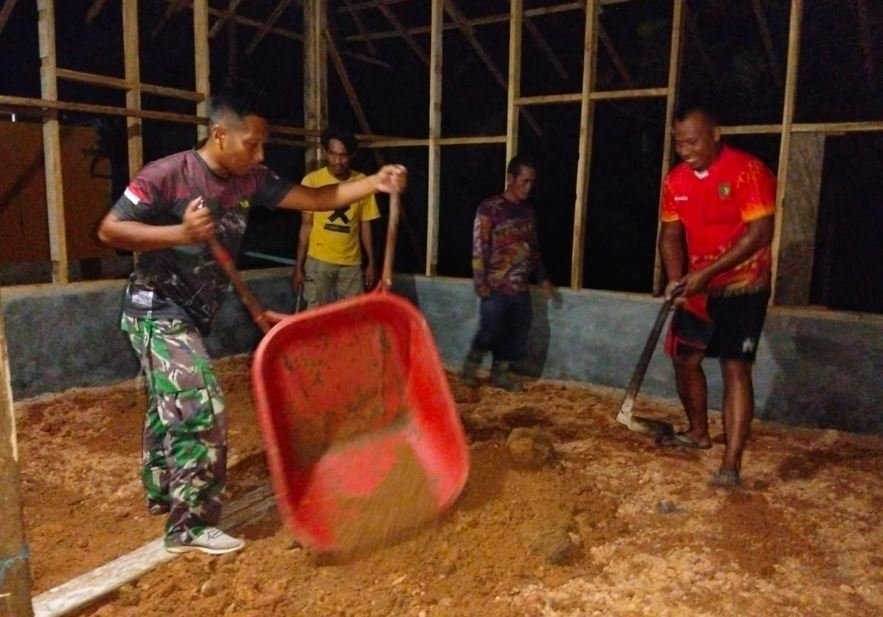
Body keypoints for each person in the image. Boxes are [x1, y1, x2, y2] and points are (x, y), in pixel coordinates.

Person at [97, 82, 406, 555]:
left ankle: (161, 491)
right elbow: (110, 229)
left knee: (170, 400)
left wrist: (375, 183)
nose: (260, 154)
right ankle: (189, 526)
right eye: (253, 143)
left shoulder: (250, 179)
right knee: (201, 403)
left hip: (193, 312)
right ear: (220, 134)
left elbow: (318, 199)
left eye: (264, 144)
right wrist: (180, 233)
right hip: (154, 306)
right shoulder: (169, 174)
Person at [657, 102, 776, 487]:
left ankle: (731, 464)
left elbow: (760, 234)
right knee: (685, 359)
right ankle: (698, 432)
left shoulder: (748, 171)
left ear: (716, 134)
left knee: (734, 367)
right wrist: (675, 279)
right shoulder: (675, 181)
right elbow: (670, 235)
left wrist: (705, 274)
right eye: (678, 143)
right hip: (697, 285)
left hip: (743, 286)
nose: (685, 150)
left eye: (692, 141)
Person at [460, 155, 554, 392]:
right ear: (511, 178)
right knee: (490, 330)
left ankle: (499, 373)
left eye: (532, 182)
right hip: (495, 285)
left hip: (520, 287)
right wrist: (480, 281)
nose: (528, 187)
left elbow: (533, 248)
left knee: (518, 331)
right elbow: (479, 246)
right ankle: (469, 369)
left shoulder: (528, 210)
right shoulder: (490, 208)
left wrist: (542, 277)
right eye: (524, 181)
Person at [293, 126, 380, 308]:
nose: (338, 161)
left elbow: (365, 224)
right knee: (315, 313)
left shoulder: (362, 182)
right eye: (333, 154)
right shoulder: (312, 181)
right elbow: (306, 226)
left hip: (351, 264)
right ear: (326, 153)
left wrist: (371, 263)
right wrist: (299, 266)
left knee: (353, 314)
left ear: (352, 155)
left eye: (343, 156)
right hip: (318, 262)